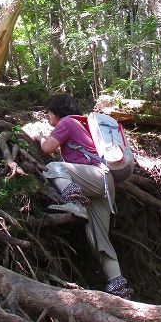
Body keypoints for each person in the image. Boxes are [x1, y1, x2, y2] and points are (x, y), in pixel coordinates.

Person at [35, 93, 133, 299]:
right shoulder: (82, 124)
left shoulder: (67, 122)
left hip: (95, 177)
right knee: (98, 238)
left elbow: (47, 148)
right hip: (105, 184)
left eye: (49, 112)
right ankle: (118, 286)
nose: (48, 116)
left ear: (57, 111)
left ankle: (75, 204)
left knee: (54, 167)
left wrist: (38, 136)